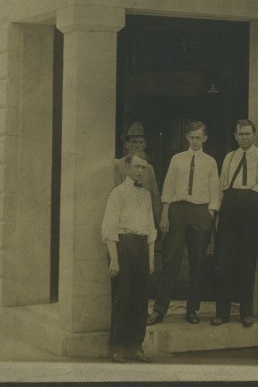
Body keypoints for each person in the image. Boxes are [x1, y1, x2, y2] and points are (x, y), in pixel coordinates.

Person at [147, 121, 219, 325]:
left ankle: (192, 309)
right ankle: (159, 310)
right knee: (170, 260)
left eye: (199, 137)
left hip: (200, 211)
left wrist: (210, 216)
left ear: (205, 138)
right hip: (177, 211)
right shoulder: (177, 159)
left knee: (198, 262)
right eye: (192, 137)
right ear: (187, 137)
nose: (195, 141)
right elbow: (168, 188)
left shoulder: (211, 162)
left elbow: (215, 191)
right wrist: (165, 214)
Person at [212, 119, 258, 328]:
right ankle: (222, 313)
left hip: (253, 210)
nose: (244, 138)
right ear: (235, 136)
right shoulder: (229, 157)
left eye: (248, 134)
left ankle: (246, 312)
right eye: (241, 134)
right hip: (229, 210)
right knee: (224, 261)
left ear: (254, 135)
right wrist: (216, 214)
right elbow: (219, 187)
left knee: (247, 262)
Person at [101, 151, 157, 363]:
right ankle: (117, 347)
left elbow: (151, 228)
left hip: (142, 248)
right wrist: (114, 259)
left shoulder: (145, 195)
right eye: (137, 167)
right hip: (123, 247)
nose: (141, 171)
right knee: (122, 298)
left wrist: (151, 259)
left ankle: (135, 346)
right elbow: (109, 228)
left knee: (140, 300)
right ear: (127, 168)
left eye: (144, 167)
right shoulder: (118, 193)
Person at [115, 123, 162, 231]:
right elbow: (117, 197)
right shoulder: (119, 165)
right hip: (127, 221)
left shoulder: (149, 168)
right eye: (134, 142)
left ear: (145, 145)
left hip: (146, 218)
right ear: (127, 144)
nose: (137, 145)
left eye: (140, 142)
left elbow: (155, 197)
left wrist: (157, 221)